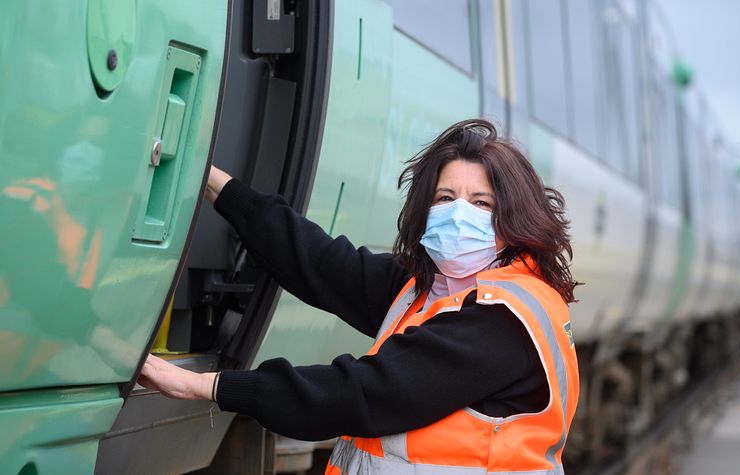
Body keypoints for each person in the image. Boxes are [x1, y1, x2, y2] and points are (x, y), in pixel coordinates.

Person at [138, 119, 580, 474]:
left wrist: (207, 386)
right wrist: (217, 186)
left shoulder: (502, 319)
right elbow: (323, 264)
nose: (459, 213)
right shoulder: (428, 290)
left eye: (481, 203)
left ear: (514, 218)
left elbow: (365, 392)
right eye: (445, 197)